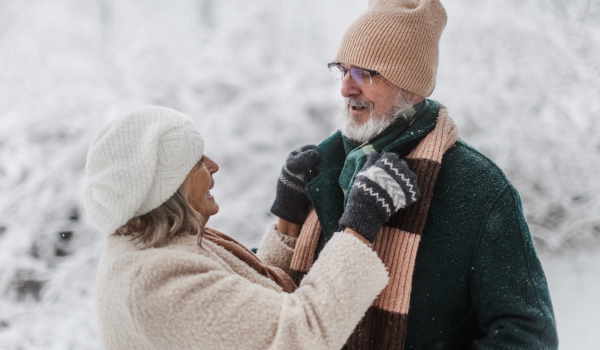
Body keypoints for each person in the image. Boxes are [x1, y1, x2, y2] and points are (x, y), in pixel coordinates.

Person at [272, 0, 558, 349]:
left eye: (365, 73)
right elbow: (273, 310)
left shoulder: (478, 188)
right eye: (343, 70)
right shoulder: (320, 171)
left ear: (410, 85)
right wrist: (285, 224)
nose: (346, 88)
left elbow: (528, 334)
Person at [83, 105, 421, 350]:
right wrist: (359, 226)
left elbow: (251, 317)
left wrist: (288, 223)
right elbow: (299, 336)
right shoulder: (156, 280)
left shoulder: (155, 244)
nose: (214, 166)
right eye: (198, 161)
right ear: (167, 187)